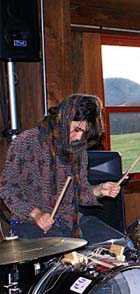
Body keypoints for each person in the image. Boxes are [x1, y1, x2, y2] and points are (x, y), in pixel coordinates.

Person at [0, 94, 123, 243]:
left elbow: (79, 194)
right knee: (64, 257)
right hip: (29, 222)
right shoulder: (27, 141)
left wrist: (99, 190)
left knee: (119, 244)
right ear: (63, 119)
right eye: (76, 129)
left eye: (84, 133)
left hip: (70, 221)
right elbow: (7, 188)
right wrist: (37, 214)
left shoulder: (78, 150)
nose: (78, 137)